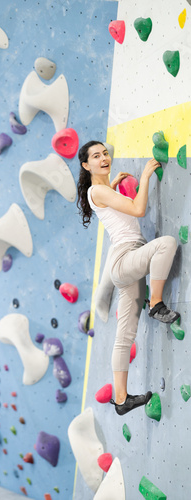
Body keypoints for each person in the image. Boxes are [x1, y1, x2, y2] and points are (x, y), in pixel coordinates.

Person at [77, 140, 180, 416]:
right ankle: (155, 304)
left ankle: (121, 399)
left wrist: (112, 186)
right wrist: (145, 177)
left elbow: (110, 206)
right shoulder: (97, 189)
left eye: (106, 153)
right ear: (86, 165)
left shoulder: (97, 191)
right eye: (96, 156)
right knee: (166, 244)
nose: (104, 158)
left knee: (124, 337)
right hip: (125, 259)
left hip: (125, 263)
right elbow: (137, 210)